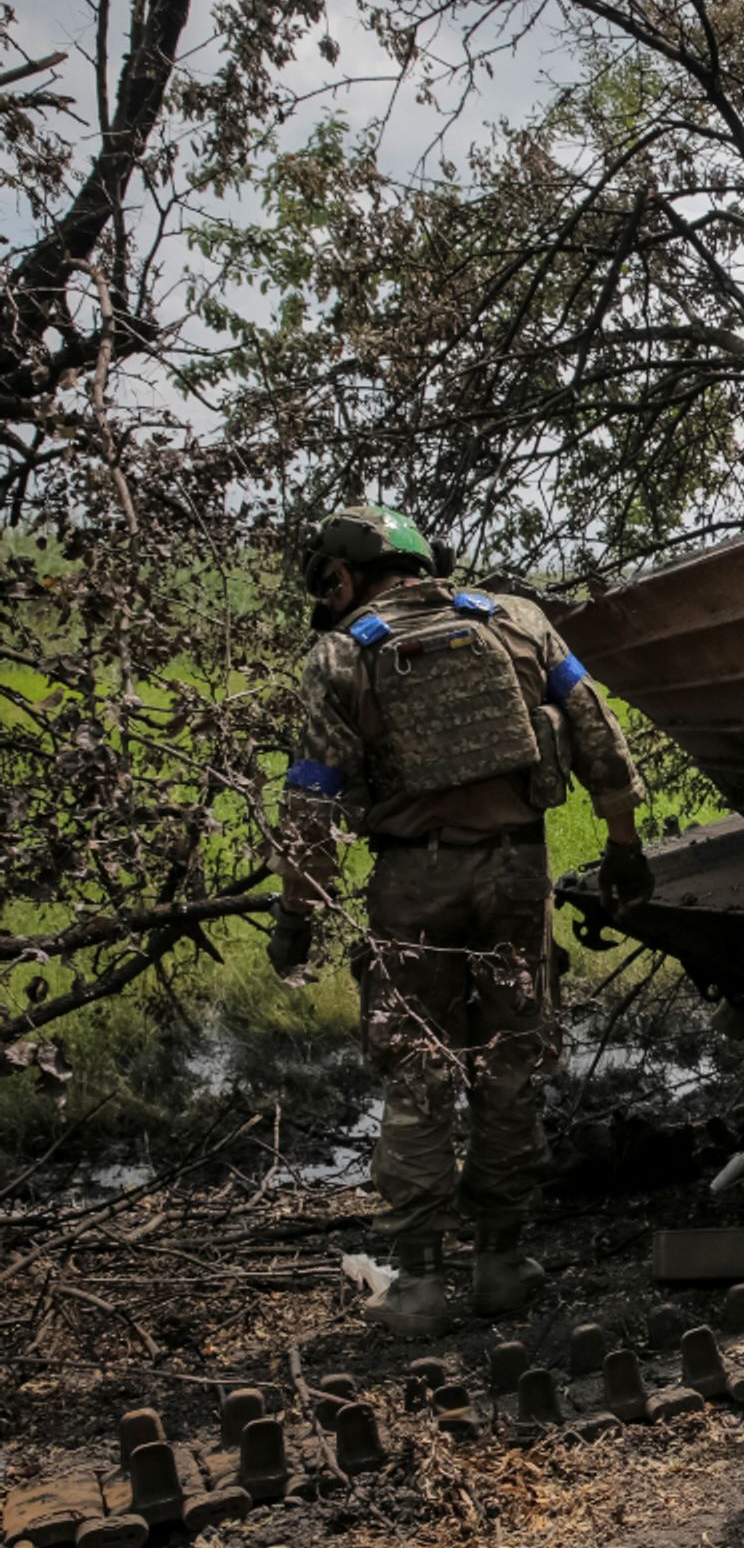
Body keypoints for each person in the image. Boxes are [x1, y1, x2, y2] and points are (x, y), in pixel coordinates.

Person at [270, 502, 655, 1337]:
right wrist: (623, 847)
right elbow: (598, 734)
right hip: (520, 869)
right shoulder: (516, 620)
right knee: (510, 1061)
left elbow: (312, 801)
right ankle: (502, 1263)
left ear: (343, 577)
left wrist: (297, 910)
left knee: (418, 1071)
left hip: (412, 881)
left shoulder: (340, 654)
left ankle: (416, 1283)